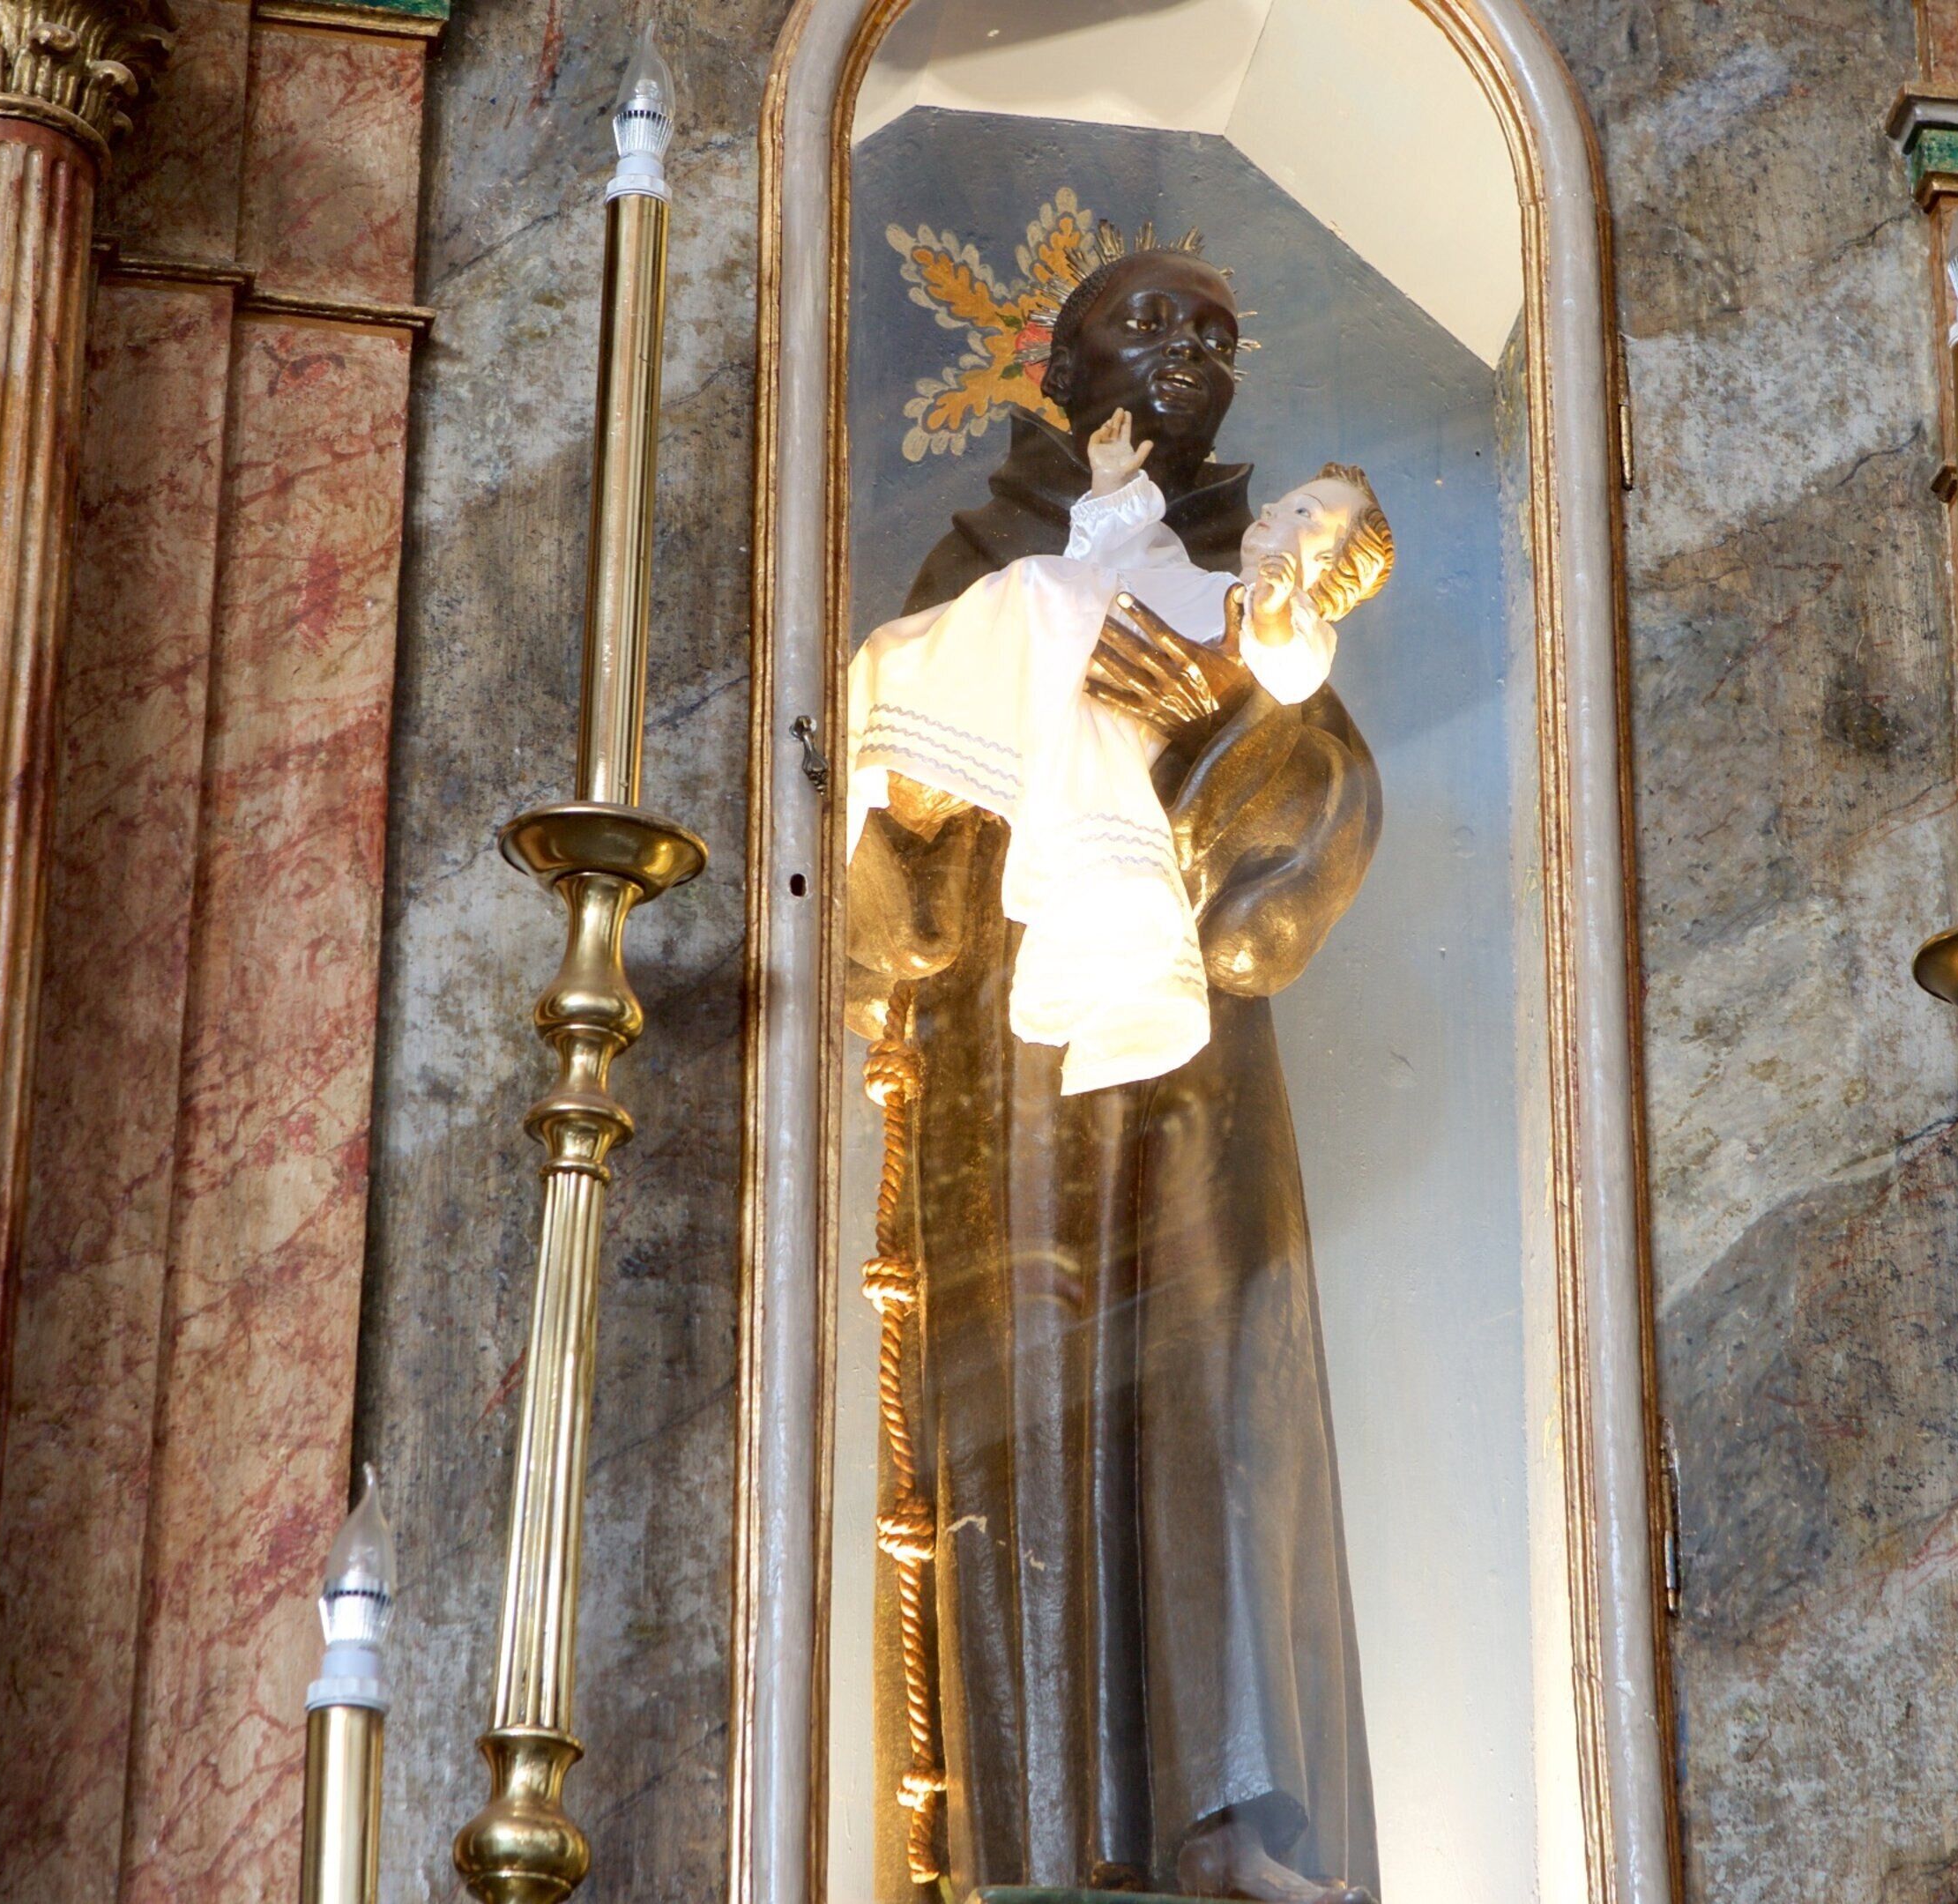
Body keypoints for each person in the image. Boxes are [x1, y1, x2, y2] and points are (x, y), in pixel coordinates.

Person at [844, 243, 1386, 1904]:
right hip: (1002, 1065)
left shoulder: (1250, 579)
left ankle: (1231, 1819)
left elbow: (1298, 871)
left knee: (1218, 1386)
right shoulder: (985, 566)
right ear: (1064, 373)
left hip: (1200, 1071)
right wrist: (945, 795)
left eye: (1218, 330)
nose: (1192, 352)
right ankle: (1025, 1841)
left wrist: (1235, 709)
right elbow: (887, 868)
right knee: (1022, 1402)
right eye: (1149, 324)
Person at [845, 406, 1392, 1096]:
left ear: (1329, 570)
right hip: (1066, 688)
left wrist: (1278, 611)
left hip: (1109, 722)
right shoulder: (1195, 583)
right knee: (957, 628)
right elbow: (1125, 554)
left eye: (1305, 515)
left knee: (1047, 591)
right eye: (1284, 502)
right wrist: (1109, 482)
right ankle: (908, 743)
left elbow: (1291, 672)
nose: (1276, 512)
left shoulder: (1276, 621)